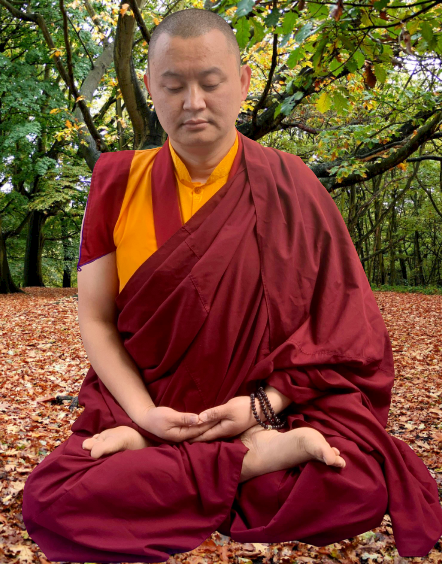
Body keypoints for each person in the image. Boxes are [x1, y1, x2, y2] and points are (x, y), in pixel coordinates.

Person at [22, 8, 442, 563]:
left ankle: (169, 463)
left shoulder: (293, 184)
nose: (193, 102)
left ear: (242, 82)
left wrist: (263, 407)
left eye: (211, 82)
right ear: (150, 88)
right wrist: (145, 417)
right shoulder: (117, 182)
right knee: (51, 500)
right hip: (150, 404)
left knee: (356, 484)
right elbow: (96, 319)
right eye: (174, 86)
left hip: (264, 408)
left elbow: (341, 332)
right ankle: (244, 460)